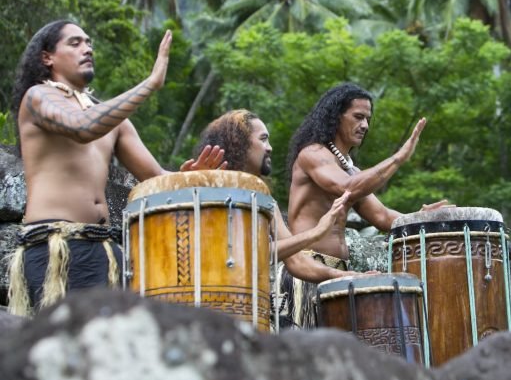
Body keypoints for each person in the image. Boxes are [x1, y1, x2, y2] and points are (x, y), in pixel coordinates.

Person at [7, 20, 224, 316]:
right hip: (56, 248)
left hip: (105, 250)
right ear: (47, 57)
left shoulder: (114, 121)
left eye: (89, 43)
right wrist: (150, 84)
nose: (87, 49)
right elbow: (83, 127)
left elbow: (157, 178)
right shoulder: (38, 98)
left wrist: (195, 176)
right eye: (75, 43)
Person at [284, 82, 450, 326]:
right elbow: (346, 188)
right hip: (306, 271)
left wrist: (421, 218)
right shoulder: (313, 154)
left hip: (339, 273)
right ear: (335, 117)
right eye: (358, 117)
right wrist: (399, 158)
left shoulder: (351, 170)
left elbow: (382, 217)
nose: (365, 125)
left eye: (367, 119)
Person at [196, 109, 358, 327]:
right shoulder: (210, 189)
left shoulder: (265, 199)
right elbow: (247, 254)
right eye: (263, 139)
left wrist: (344, 276)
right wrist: (316, 232)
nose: (269, 147)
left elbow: (297, 261)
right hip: (215, 306)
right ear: (239, 142)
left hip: (254, 308)